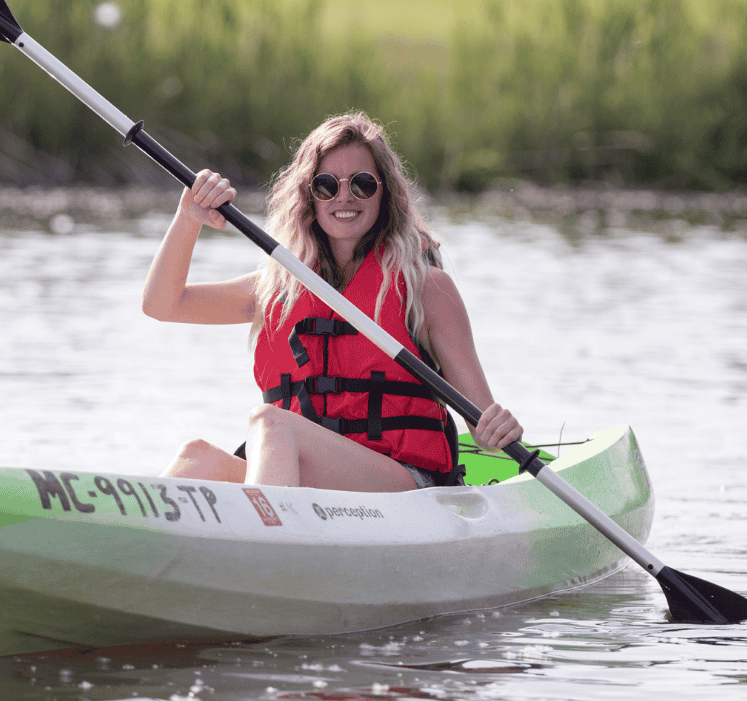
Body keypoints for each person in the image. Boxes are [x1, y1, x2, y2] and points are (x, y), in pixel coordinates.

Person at [141, 111, 522, 492]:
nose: (344, 197)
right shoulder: (278, 288)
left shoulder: (426, 290)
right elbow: (162, 304)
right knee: (197, 456)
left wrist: (496, 427)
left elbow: (483, 428)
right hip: (311, 485)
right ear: (308, 196)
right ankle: (130, 542)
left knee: (271, 425)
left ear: (384, 192)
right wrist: (188, 217)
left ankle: (263, 538)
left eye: (362, 184)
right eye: (326, 185)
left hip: (405, 487)